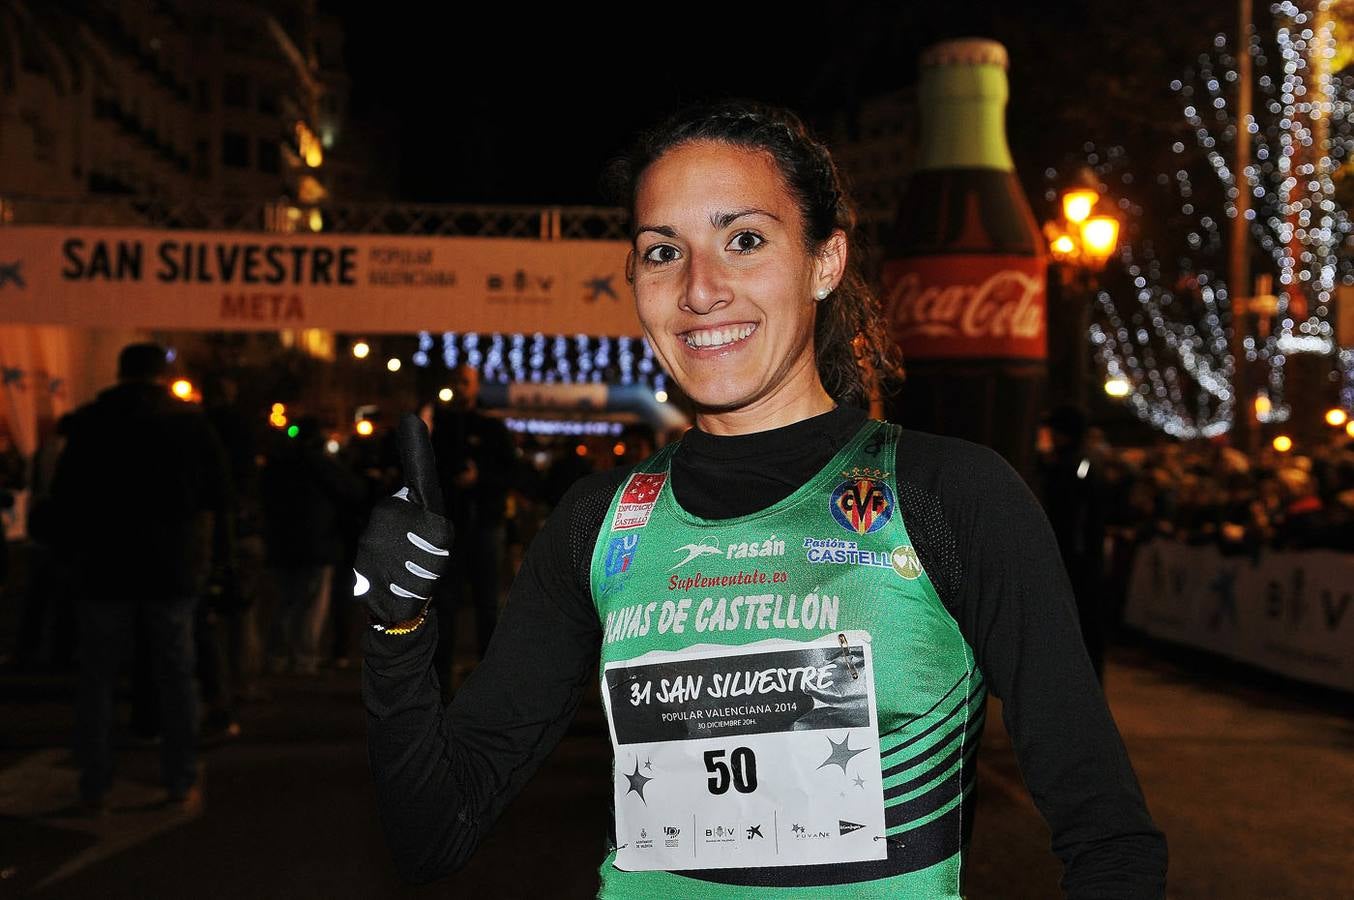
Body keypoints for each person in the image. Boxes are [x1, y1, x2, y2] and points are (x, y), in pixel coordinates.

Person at [358, 102, 1167, 898]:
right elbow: (433, 833)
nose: (700, 290)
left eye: (743, 240)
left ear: (825, 260)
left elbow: (1110, 840)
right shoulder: (599, 523)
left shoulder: (950, 497)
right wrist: (395, 629)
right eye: (661, 251)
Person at [51, 343, 230, 812]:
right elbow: (218, 495)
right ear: (162, 373)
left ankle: (94, 780)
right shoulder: (189, 423)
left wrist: (68, 556)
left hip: (102, 565)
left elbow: (64, 496)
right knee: (175, 674)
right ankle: (179, 776)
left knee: (98, 678)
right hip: (170, 565)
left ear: (119, 371)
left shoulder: (91, 422)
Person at [427, 364, 515, 700]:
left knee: (486, 604)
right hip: (452, 527)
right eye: (455, 382)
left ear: (475, 386)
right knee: (445, 605)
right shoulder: (442, 426)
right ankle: (442, 681)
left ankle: (489, 686)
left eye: (465, 382)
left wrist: (481, 480)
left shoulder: (491, 427)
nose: (460, 388)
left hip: (483, 525)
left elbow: (510, 473)